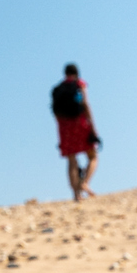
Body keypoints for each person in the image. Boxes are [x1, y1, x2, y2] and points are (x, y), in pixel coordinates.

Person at [52, 63, 98, 201]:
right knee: (93, 156)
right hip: (80, 122)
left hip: (64, 126)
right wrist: (93, 127)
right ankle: (84, 183)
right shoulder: (79, 84)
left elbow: (55, 112)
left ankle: (76, 195)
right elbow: (85, 104)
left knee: (72, 160)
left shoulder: (58, 88)